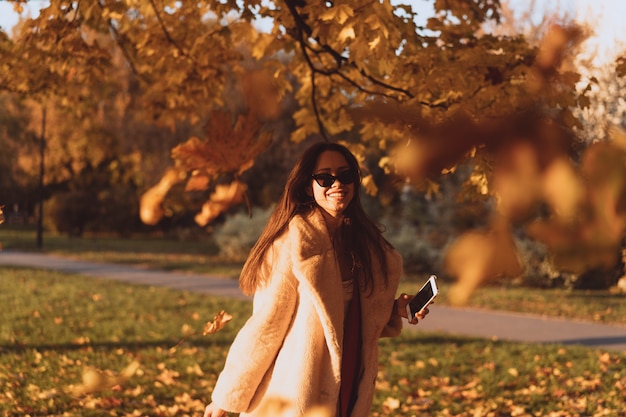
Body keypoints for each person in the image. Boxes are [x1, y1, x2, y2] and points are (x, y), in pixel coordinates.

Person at [204, 142, 430, 417]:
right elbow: (265, 329)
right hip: (297, 392)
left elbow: (349, 319)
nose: (337, 184)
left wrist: (395, 309)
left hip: (348, 387)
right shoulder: (292, 245)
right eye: (325, 177)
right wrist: (227, 397)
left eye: (345, 175)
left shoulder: (365, 246)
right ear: (307, 185)